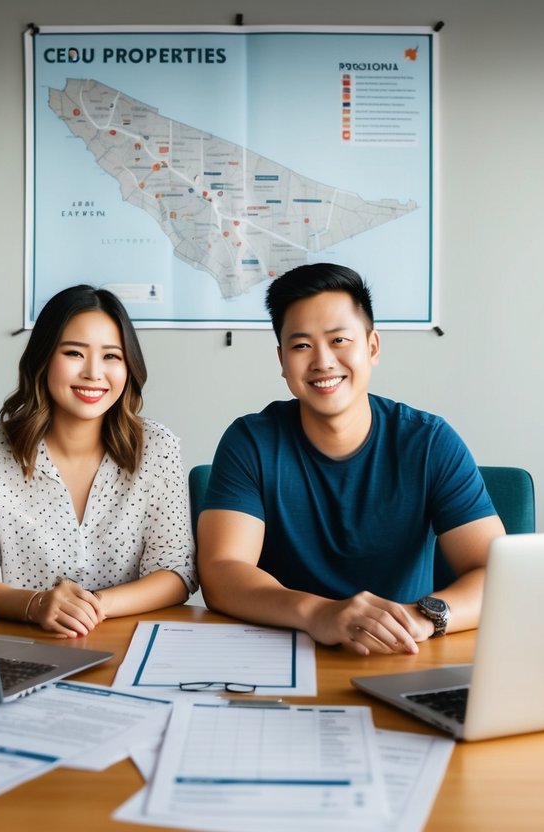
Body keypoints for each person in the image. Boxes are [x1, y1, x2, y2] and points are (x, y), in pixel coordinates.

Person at [197, 263, 505, 656]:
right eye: (301, 345)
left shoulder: (429, 441)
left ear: (372, 347)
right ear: (282, 360)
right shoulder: (251, 441)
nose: (323, 361)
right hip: (283, 652)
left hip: (404, 652)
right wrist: (319, 613)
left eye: (339, 340)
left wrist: (419, 619)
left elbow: (495, 574)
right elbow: (222, 571)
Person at [0, 285, 196, 638]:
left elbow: (176, 572)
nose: (94, 373)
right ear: (44, 358)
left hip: (127, 643)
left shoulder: (158, 448)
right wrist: (36, 605)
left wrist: (93, 606)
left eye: (111, 356)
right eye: (74, 353)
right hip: (19, 644)